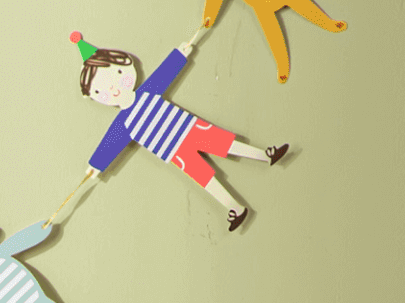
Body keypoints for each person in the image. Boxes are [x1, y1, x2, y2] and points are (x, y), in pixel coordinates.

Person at [72, 30, 288, 231]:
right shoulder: (123, 124)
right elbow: (111, 144)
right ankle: (235, 208)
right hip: (174, 151)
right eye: (100, 90)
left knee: (227, 145)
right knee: (204, 178)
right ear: (94, 95)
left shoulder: (148, 92)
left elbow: (163, 74)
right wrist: (96, 165)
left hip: (189, 128)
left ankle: (265, 155)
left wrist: (180, 54)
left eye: (116, 74)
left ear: (126, 64)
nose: (113, 88)